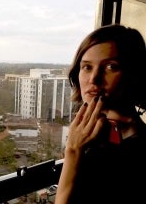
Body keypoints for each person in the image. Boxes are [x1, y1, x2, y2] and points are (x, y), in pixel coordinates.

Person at [55, 24, 146, 204]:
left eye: (111, 66)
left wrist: (73, 150)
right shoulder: (97, 135)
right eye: (87, 67)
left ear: (134, 74)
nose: (93, 79)